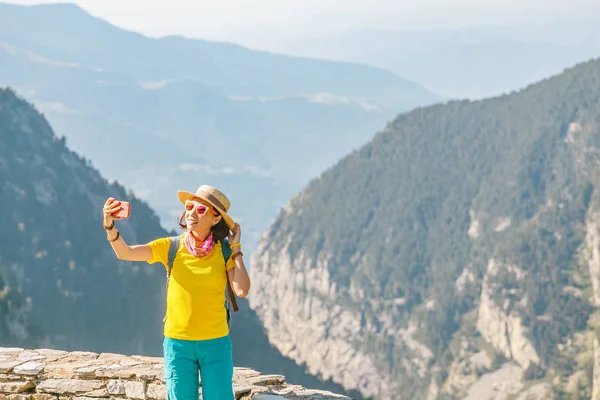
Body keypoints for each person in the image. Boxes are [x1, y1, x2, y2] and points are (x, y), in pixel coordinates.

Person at [102, 185, 251, 400]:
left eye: (201, 210)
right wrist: (109, 226)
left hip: (216, 344)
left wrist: (236, 249)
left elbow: (242, 289)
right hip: (178, 345)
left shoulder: (224, 252)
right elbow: (125, 253)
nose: (191, 213)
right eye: (189, 206)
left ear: (216, 219)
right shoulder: (171, 247)